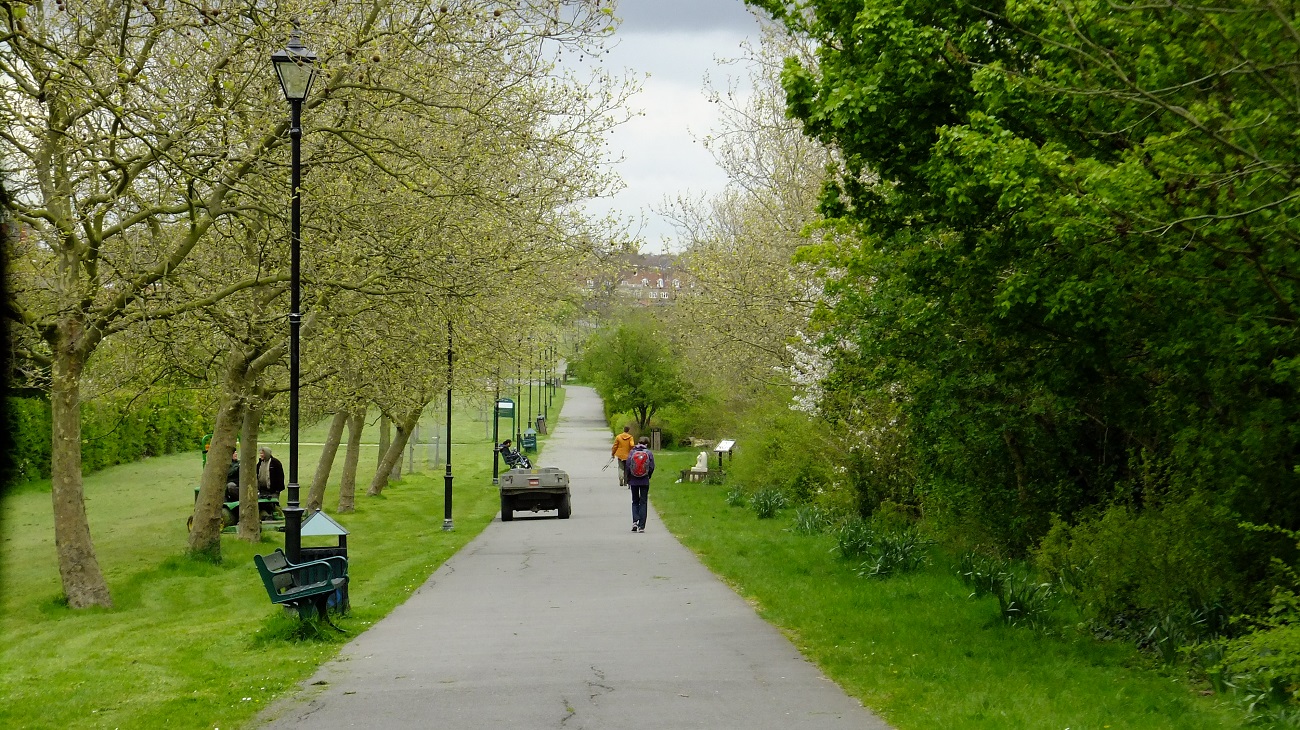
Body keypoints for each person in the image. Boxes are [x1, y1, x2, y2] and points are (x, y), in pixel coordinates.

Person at [625, 436, 655, 532]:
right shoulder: (648, 453)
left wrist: (629, 478)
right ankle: (641, 526)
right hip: (644, 480)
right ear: (646, 444)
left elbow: (628, 466)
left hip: (633, 480)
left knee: (635, 501)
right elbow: (651, 467)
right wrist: (648, 475)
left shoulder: (632, 452)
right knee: (643, 502)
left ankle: (635, 521)